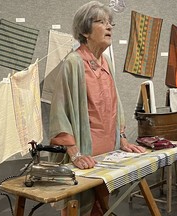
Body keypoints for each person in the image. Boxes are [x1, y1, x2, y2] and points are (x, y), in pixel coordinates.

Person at [49, 1, 146, 215]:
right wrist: (75, 154)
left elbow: (114, 103)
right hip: (85, 151)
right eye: (101, 22)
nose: (109, 27)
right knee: (79, 206)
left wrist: (122, 138)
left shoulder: (105, 63)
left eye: (110, 22)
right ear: (85, 30)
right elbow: (59, 112)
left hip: (108, 151)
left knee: (102, 207)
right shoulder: (73, 63)